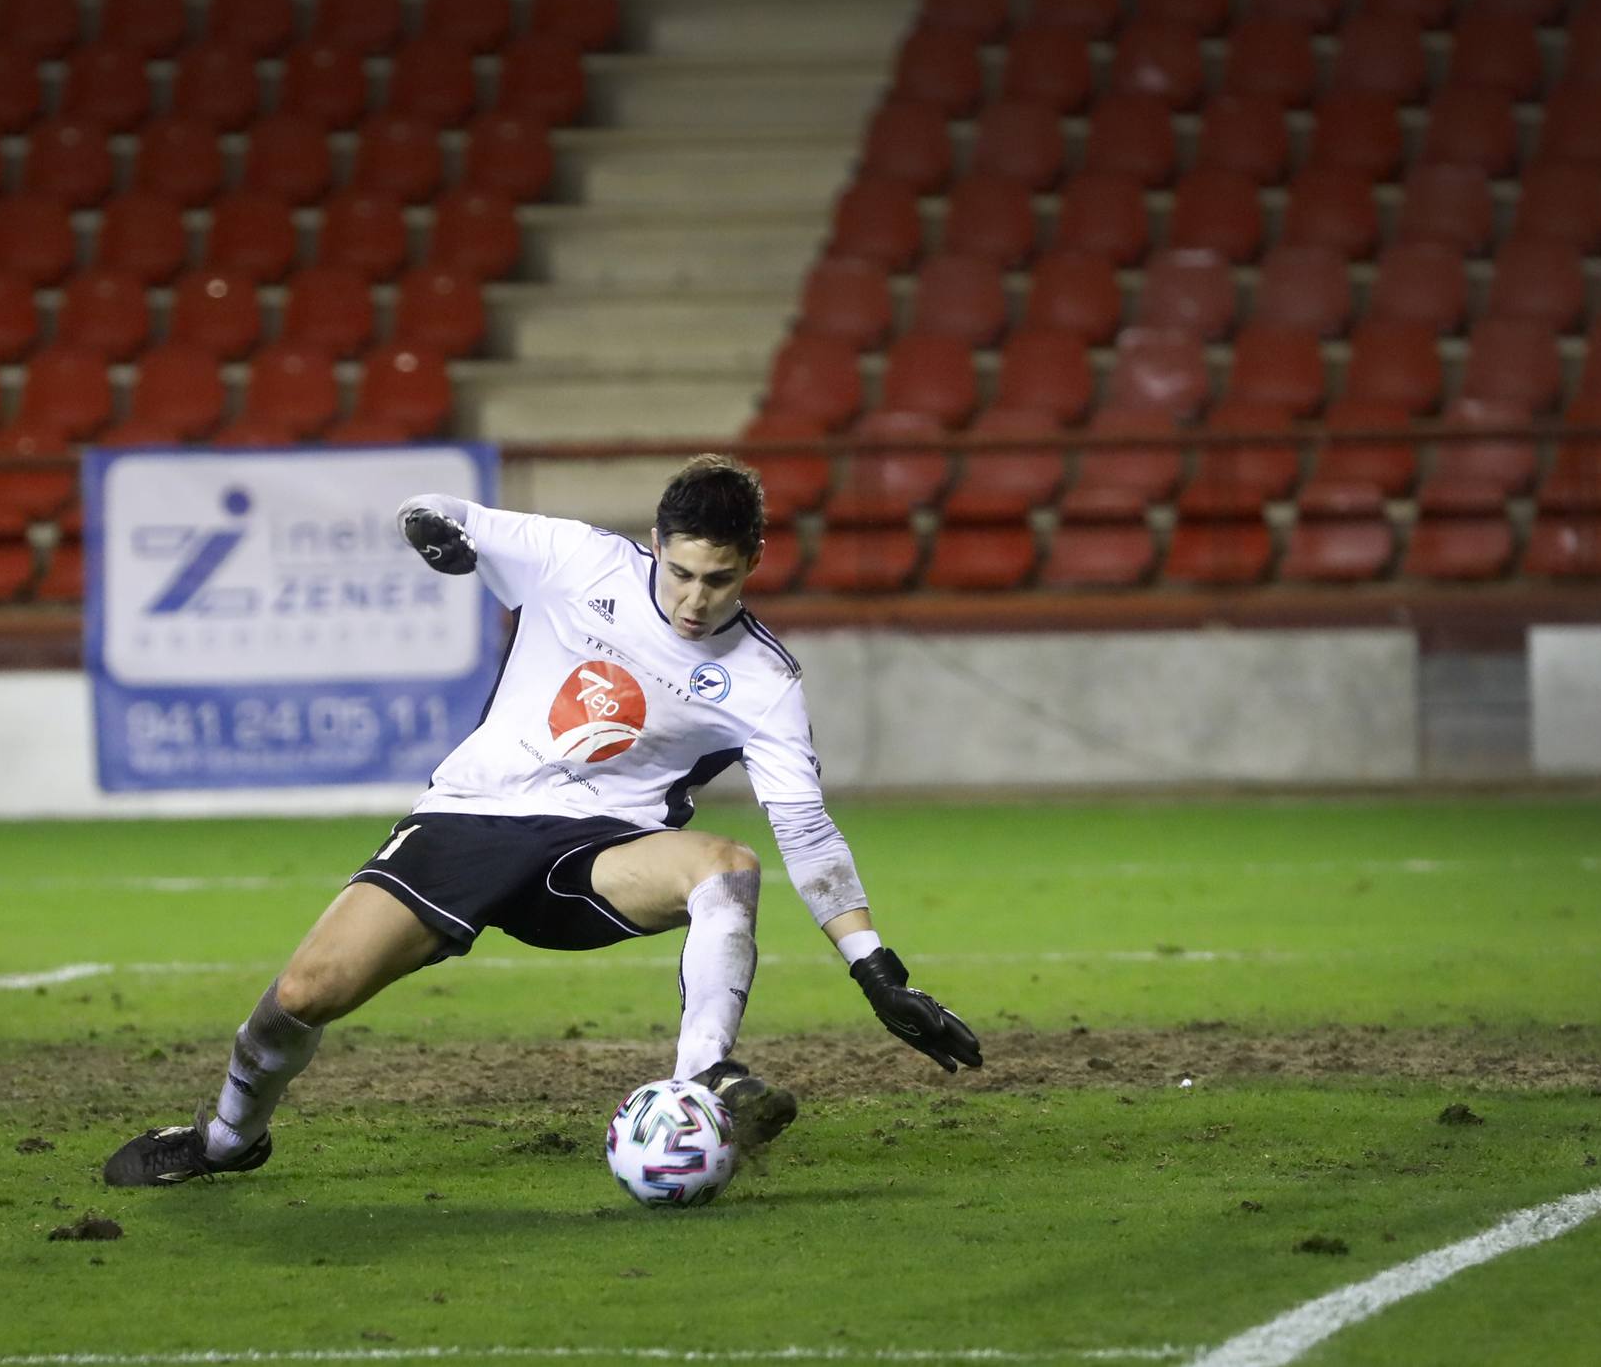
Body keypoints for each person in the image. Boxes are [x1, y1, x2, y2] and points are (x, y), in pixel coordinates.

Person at [101, 455, 984, 1187]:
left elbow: (807, 832)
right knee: (303, 996)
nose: (692, 599)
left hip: (598, 852)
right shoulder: (576, 561)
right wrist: (431, 530)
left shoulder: (762, 681)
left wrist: (875, 970)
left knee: (726, 865)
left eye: (717, 580)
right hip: (470, 818)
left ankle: (698, 1084)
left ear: (752, 561)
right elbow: (442, 507)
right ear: (652, 547)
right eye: (677, 572)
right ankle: (226, 1141)